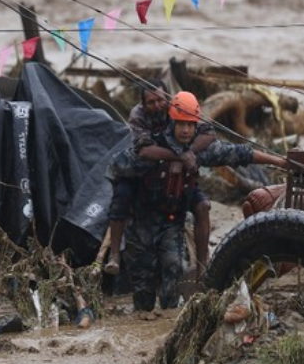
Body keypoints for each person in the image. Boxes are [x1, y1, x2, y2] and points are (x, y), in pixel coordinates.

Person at [120, 91, 289, 312]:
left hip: (171, 222)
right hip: (141, 224)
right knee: (142, 294)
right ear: (171, 120)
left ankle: (179, 302)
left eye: (191, 125)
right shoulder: (152, 144)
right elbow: (122, 174)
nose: (185, 130)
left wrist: (278, 160)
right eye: (181, 124)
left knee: (173, 274)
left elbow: (238, 153)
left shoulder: (196, 149)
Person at [104, 80, 214, 275]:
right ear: (143, 104)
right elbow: (145, 151)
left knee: (202, 205)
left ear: (168, 98)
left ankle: (203, 265)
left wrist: (188, 152)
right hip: (141, 170)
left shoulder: (179, 106)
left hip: (173, 171)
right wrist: (180, 155)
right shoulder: (137, 115)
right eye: (151, 102)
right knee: (121, 197)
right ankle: (114, 255)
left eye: (160, 100)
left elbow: (209, 133)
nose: (156, 106)